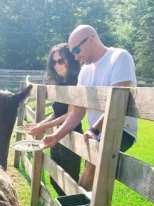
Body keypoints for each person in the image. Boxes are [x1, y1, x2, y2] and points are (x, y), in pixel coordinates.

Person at [42, 25, 138, 191]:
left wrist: (94, 130)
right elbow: (77, 111)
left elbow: (118, 102)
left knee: (91, 171)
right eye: (73, 53)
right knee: (91, 174)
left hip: (121, 129)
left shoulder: (119, 57)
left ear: (91, 38)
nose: (76, 56)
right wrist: (56, 136)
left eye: (77, 50)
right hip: (97, 133)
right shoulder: (85, 71)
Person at [28, 43, 82, 196]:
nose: (57, 65)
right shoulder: (60, 85)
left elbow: (71, 114)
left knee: (69, 181)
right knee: (55, 178)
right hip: (56, 136)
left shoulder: (77, 82)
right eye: (54, 62)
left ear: (70, 60)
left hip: (71, 134)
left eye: (61, 61)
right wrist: (40, 124)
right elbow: (57, 112)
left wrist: (43, 127)